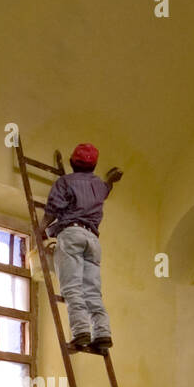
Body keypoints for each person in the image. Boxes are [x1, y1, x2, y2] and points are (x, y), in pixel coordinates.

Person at [41, 143, 123, 354]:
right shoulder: (99, 186)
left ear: (71, 162)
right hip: (93, 241)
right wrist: (111, 180)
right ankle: (102, 332)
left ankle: (81, 333)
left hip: (72, 234)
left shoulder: (65, 182)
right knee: (92, 291)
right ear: (94, 165)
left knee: (72, 287)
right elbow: (106, 190)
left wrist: (40, 229)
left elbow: (53, 208)